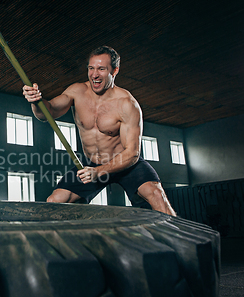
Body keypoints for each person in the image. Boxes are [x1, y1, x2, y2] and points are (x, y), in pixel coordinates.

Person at [22, 46, 176, 216]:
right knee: (54, 201)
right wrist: (36, 101)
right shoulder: (77, 91)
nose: (94, 74)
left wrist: (99, 172)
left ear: (115, 71)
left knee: (157, 196)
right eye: (91, 68)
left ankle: (180, 240)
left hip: (125, 163)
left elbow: (132, 153)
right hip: (91, 163)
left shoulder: (126, 103)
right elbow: (47, 112)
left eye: (101, 69)